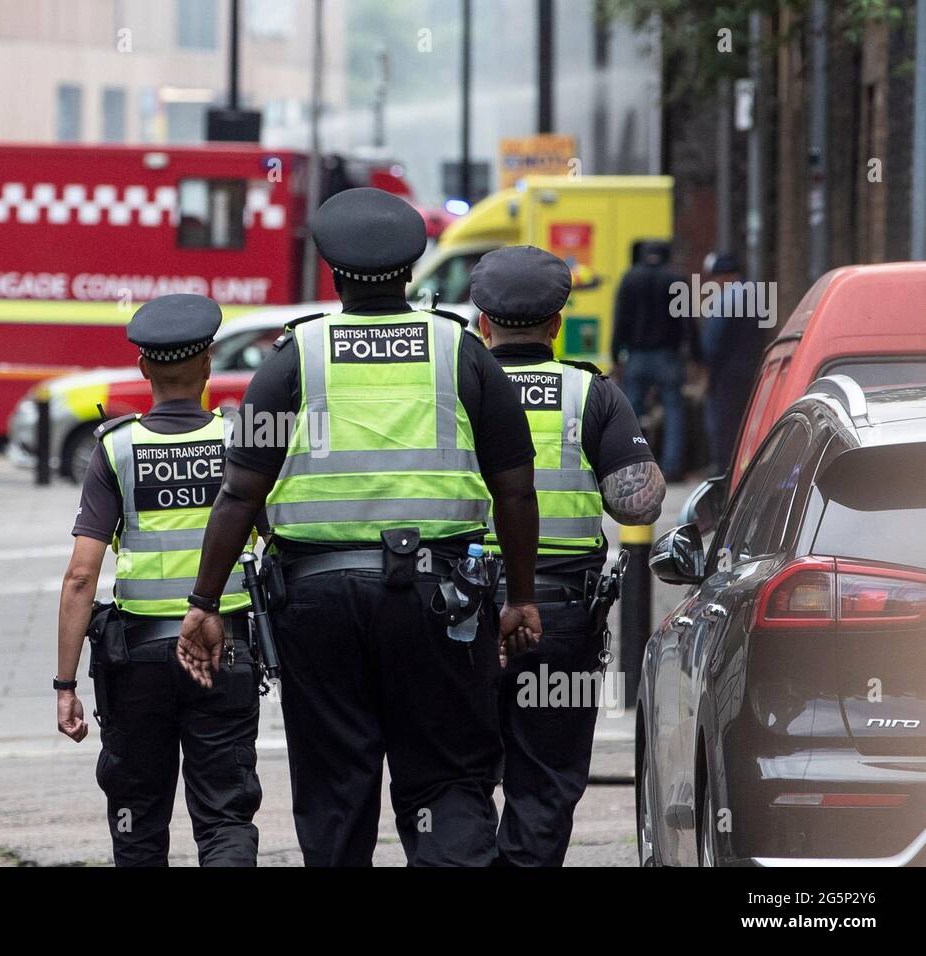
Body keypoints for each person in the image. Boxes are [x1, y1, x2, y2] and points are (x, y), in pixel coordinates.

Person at [176, 187, 543, 867]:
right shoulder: (464, 354)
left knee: (335, 788)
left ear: (334, 274)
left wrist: (204, 603)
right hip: (442, 606)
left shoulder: (294, 359)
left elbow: (237, 493)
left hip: (318, 607)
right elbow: (516, 491)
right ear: (412, 270)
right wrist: (520, 596)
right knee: (448, 781)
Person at [471, 246, 666, 866]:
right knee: (546, 779)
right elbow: (638, 506)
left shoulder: (453, 390)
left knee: (455, 777)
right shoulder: (591, 395)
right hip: (559, 617)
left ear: (482, 324)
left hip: (458, 612)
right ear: (557, 325)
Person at [54, 293, 262, 867]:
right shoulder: (237, 444)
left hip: (136, 664)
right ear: (208, 364)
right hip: (226, 653)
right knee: (225, 817)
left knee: (138, 819)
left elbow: (79, 577)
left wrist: (64, 685)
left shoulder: (116, 451)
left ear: (143, 368)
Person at [611, 239, 700, 480]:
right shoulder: (675, 279)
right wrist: (695, 355)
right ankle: (671, 468)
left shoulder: (630, 279)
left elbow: (621, 319)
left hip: (637, 356)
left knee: (629, 413)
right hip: (668, 356)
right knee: (674, 410)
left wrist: (615, 355)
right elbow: (687, 321)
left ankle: (629, 464)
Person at [699, 251, 764, 474]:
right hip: (751, 368)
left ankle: (724, 470)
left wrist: (705, 370)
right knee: (744, 421)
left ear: (724, 277)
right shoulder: (754, 293)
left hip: (726, 373)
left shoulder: (728, 298)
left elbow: (712, 341)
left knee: (722, 424)